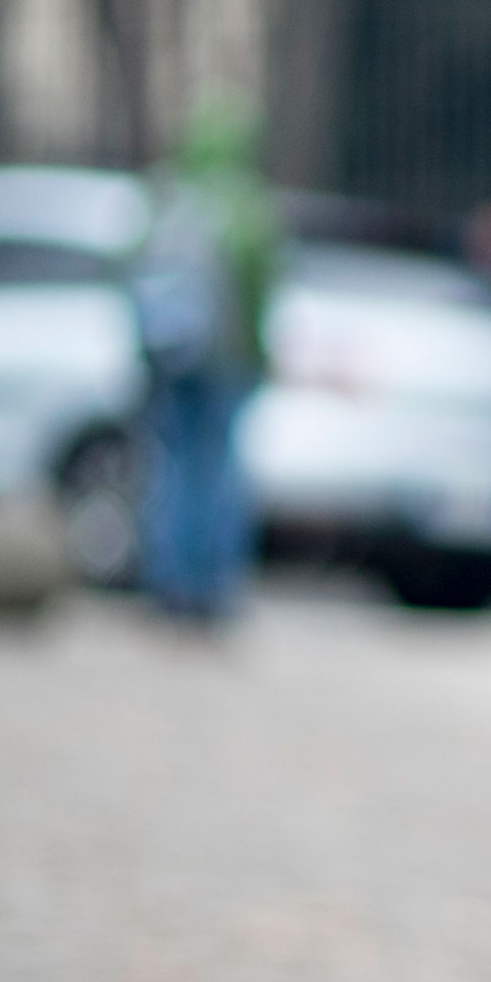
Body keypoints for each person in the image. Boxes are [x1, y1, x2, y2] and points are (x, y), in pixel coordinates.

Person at [130, 103, 281, 624]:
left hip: (171, 360)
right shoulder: (247, 207)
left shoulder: (169, 197)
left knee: (170, 467)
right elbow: (261, 291)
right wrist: (259, 354)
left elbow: (130, 273)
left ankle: (168, 581)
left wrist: (146, 352)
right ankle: (213, 587)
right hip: (228, 363)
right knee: (218, 471)